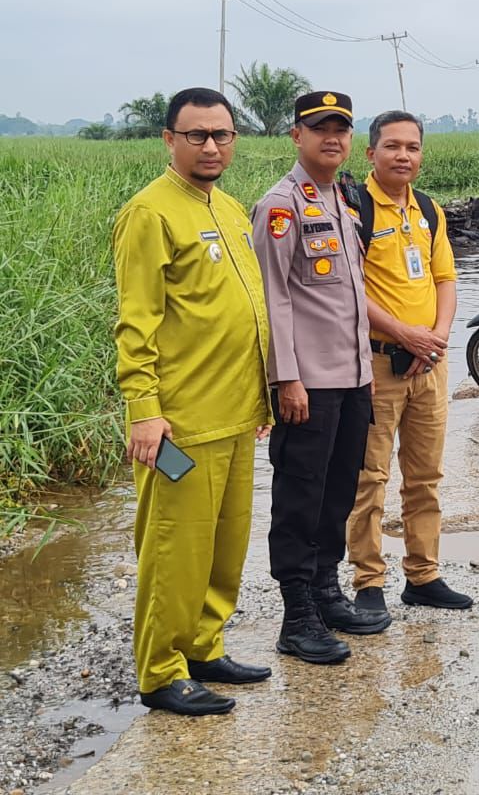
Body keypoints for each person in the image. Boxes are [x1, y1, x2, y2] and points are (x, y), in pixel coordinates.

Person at [112, 87, 272, 716]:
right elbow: (136, 324)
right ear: (169, 139)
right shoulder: (151, 213)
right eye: (198, 135)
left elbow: (246, 312)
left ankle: (204, 646)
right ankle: (158, 671)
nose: (211, 146)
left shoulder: (229, 209)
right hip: (180, 425)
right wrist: (144, 410)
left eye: (223, 135)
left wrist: (261, 398)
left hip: (236, 416)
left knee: (225, 545)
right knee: (174, 551)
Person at [251, 90, 384, 667]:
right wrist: (287, 379)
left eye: (341, 129)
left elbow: (350, 296)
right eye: (319, 128)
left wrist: (367, 375)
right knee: (300, 496)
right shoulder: (280, 206)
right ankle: (296, 613)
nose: (332, 138)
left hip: (353, 379)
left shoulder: (345, 200)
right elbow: (273, 298)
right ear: (296, 136)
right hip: (308, 384)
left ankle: (328, 593)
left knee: (338, 493)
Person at [346, 110, 472, 619]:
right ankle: (368, 582)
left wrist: (437, 338)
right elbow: (348, 288)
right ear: (370, 153)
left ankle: (423, 575)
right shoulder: (354, 209)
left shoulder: (428, 209)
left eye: (412, 147)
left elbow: (445, 279)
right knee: (369, 477)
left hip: (429, 366)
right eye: (392, 146)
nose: (403, 155)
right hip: (378, 365)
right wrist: (403, 333)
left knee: (425, 476)